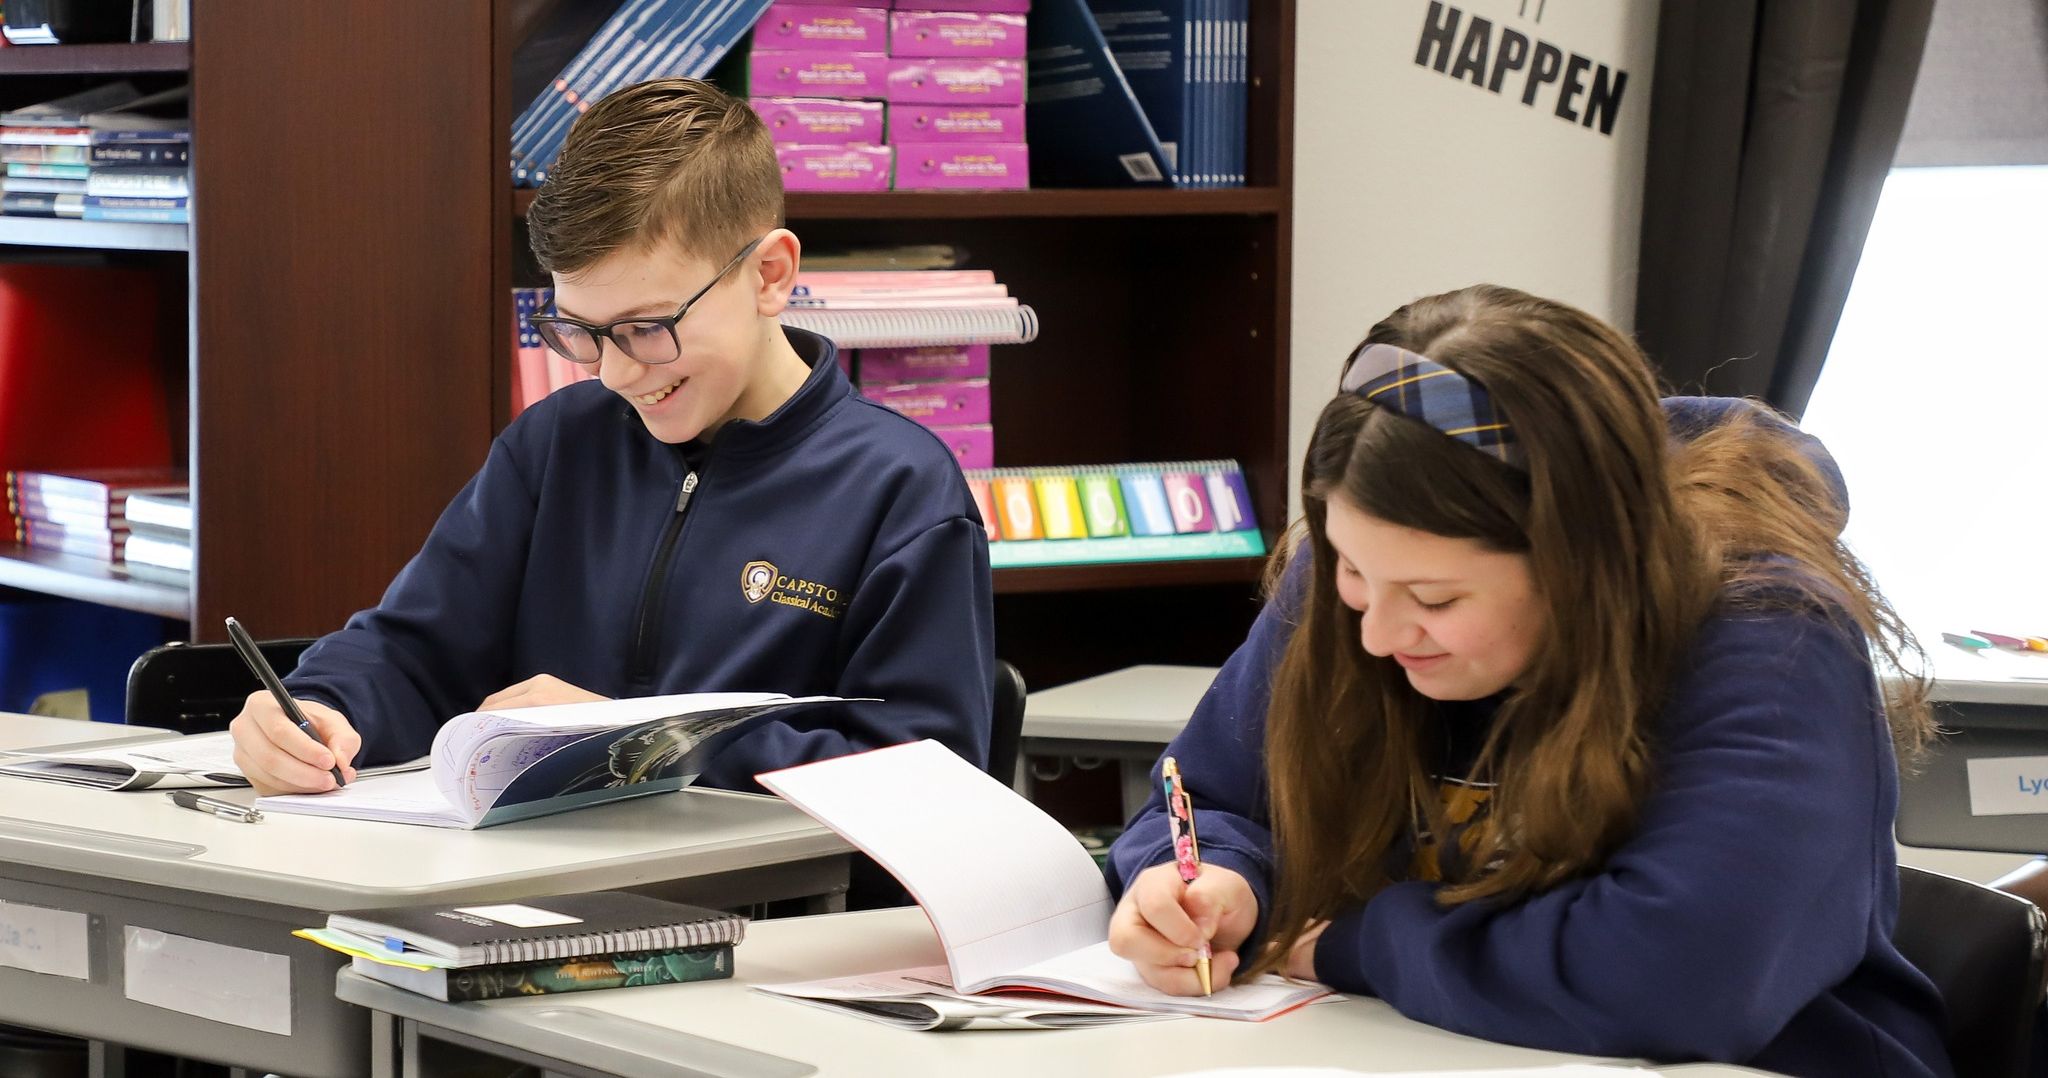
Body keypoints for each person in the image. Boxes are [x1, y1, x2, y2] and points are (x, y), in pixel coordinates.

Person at [1105, 285, 1951, 1077]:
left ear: (1582, 562)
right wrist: (1217, 880)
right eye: (1350, 574)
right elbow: (1204, 796)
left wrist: (1347, 945)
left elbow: (1680, 975)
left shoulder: (1768, 631)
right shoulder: (1361, 575)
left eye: (1435, 598)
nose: (1377, 632)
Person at [226, 78, 994, 803]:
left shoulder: (899, 491)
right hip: (535, 901)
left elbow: (926, 780)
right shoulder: (558, 445)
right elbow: (412, 650)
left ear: (769, 274)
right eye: (583, 332)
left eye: (647, 328)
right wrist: (317, 710)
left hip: (770, 920)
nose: (617, 373)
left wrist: (637, 740)